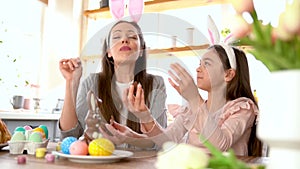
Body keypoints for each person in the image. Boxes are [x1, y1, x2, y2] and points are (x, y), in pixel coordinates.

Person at [101, 44, 262, 156]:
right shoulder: (193, 109)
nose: (198, 69)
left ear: (228, 74)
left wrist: (193, 98)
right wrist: (140, 123)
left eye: (207, 64)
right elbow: (167, 140)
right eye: (199, 63)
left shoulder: (242, 108)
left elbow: (220, 145)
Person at [58, 20, 167, 149]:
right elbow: (70, 136)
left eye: (132, 36)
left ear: (141, 50)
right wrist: (71, 82)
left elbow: (159, 143)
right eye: (117, 37)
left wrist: (130, 137)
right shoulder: (93, 82)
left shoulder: (156, 84)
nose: (124, 40)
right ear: (109, 52)